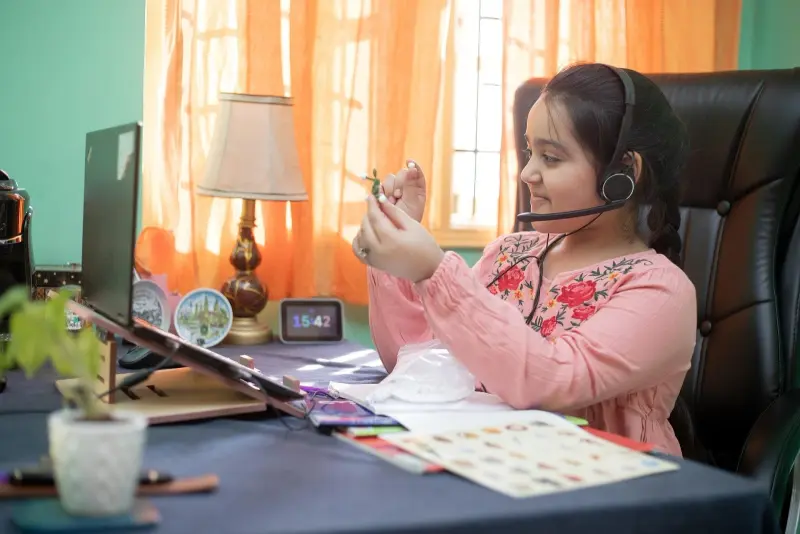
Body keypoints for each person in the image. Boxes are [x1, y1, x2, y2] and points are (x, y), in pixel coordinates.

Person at [351, 62, 696, 456]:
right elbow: (420, 365)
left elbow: (549, 382)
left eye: (551, 158)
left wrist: (433, 271)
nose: (527, 173)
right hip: (492, 468)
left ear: (623, 170)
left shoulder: (660, 291)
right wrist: (396, 251)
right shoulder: (509, 253)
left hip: (602, 494)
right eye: (530, 152)